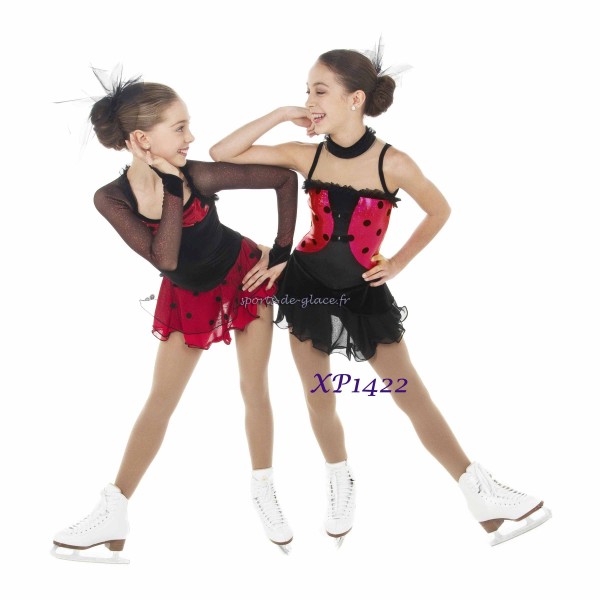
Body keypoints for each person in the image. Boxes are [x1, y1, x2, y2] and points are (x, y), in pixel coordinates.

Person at [209, 47, 552, 547]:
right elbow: (223, 152)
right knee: (319, 397)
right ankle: (340, 480)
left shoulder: (395, 162)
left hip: (363, 296)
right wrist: (284, 113)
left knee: (409, 393)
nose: (310, 101)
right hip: (306, 290)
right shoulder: (308, 154)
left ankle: (481, 492)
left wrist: (399, 262)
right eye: (306, 91)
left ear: (355, 99)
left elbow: (439, 210)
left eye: (320, 91)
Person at [51, 74, 298, 563]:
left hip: (245, 275)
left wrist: (281, 252)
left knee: (254, 387)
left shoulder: (198, 175)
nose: (191, 138)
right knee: (160, 400)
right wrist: (167, 184)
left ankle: (264, 489)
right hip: (189, 295)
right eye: (180, 128)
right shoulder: (112, 198)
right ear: (143, 140)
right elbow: (164, 258)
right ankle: (115, 509)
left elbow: (284, 180)